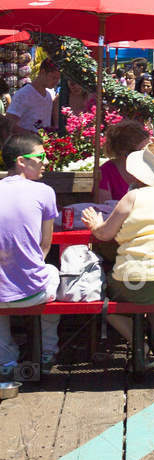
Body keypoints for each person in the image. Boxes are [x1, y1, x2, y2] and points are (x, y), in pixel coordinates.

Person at [83, 140, 154, 378]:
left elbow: (105, 234)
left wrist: (95, 224)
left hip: (137, 278)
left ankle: (143, 346)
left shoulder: (133, 197)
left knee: (104, 302)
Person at [0, 131, 61, 377]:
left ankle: (6, 360)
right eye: (41, 156)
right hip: (34, 292)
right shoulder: (45, 192)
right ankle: (48, 349)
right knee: (53, 273)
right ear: (21, 161)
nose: (46, 161)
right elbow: (45, 246)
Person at [98, 118, 151, 201]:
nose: (147, 154)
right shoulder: (105, 171)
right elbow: (104, 206)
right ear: (125, 152)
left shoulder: (150, 168)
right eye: (142, 150)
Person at [6, 59, 58, 134]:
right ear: (42, 72)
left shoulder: (49, 96)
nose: (56, 82)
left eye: (58, 79)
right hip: (24, 143)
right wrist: (31, 134)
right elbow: (9, 124)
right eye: (53, 78)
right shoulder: (23, 94)